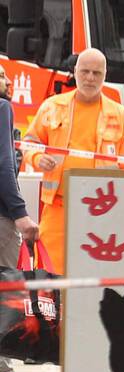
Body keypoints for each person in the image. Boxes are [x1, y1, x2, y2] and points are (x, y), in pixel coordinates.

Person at [23, 48, 124, 274]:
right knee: (50, 274)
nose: (90, 78)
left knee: (92, 275)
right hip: (58, 208)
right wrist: (37, 157)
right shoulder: (52, 106)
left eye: (97, 73)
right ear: (74, 72)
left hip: (100, 213)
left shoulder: (120, 115)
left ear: (105, 75)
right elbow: (29, 142)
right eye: (85, 71)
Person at [0, 64, 38, 269]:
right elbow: (4, 166)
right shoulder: (2, 107)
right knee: (8, 293)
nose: (9, 82)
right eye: (2, 76)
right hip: (2, 220)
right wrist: (20, 214)